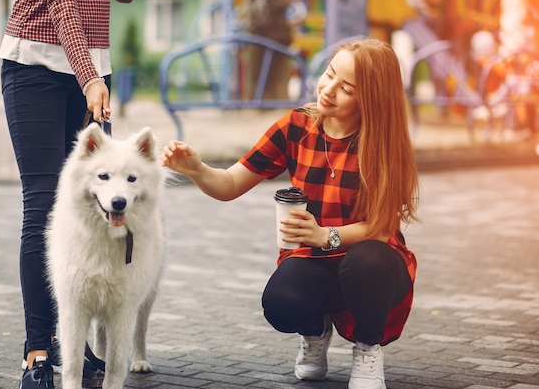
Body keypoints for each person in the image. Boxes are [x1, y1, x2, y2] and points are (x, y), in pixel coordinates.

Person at [162, 38, 419, 389]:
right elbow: (230, 183)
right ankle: (314, 333)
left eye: (346, 88)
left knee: (367, 262)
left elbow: (381, 225)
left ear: (370, 98)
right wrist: (196, 170)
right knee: (282, 301)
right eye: (329, 75)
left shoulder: (381, 143)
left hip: (372, 263)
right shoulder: (297, 127)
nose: (328, 90)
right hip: (312, 259)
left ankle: (367, 350)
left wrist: (325, 235)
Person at [0, 0, 144, 388]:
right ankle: (38, 351)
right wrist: (89, 77)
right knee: (44, 205)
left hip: (93, 70)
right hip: (35, 66)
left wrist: (91, 75)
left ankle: (72, 339)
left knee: (97, 210)